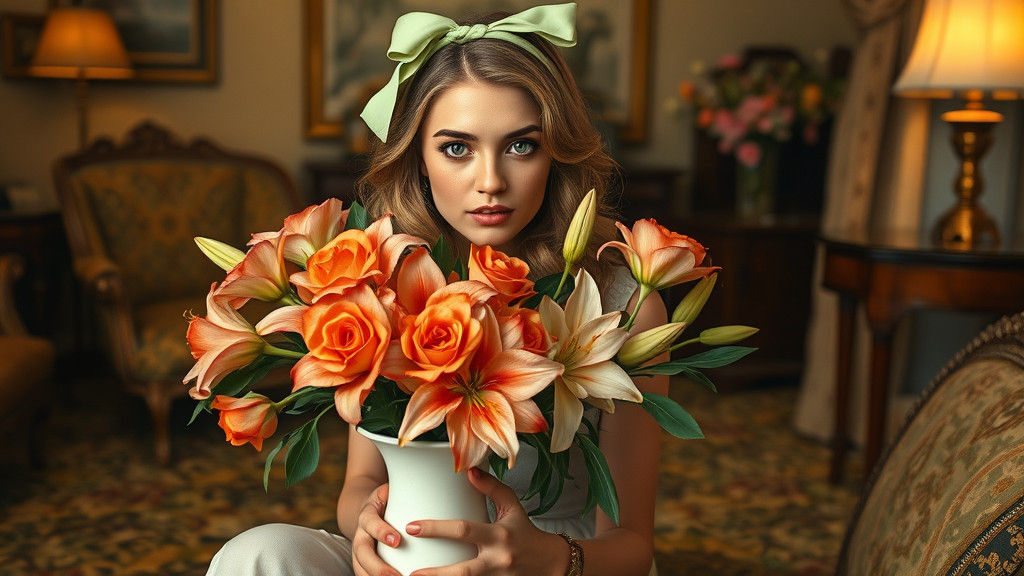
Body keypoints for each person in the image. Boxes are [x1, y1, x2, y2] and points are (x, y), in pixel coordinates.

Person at [206, 4, 667, 575]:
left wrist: (548, 558)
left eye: (521, 146)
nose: (491, 181)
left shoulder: (627, 303)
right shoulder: (384, 282)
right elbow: (360, 486)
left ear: (556, 152)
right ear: (419, 158)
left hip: (554, 560)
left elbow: (632, 547)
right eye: (456, 148)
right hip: (412, 552)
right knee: (258, 555)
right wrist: (367, 527)